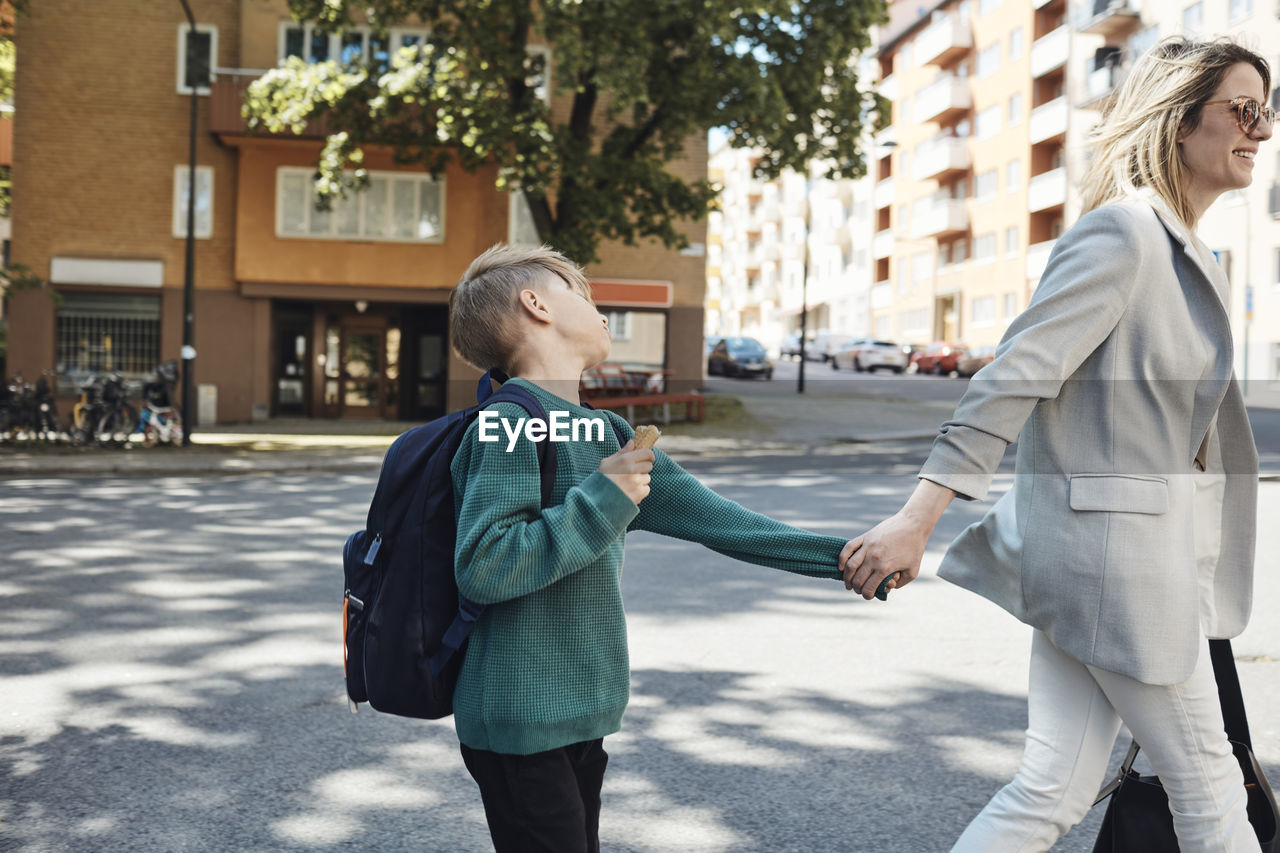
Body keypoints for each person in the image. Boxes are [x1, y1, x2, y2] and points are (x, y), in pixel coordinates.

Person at [841, 37, 1271, 852]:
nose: (1263, 128)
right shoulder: (1124, 236)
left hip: (1117, 563)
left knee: (1053, 783)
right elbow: (1012, 377)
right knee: (1211, 787)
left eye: (1268, 109)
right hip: (1122, 570)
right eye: (1243, 108)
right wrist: (917, 518)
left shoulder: (1189, 252)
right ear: (1180, 120)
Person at [447, 243, 855, 853]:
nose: (600, 310)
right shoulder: (508, 424)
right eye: (581, 295)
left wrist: (846, 558)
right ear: (536, 305)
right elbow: (486, 564)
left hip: (582, 711)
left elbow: (723, 523)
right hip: (518, 717)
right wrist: (605, 498)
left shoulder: (607, 432)